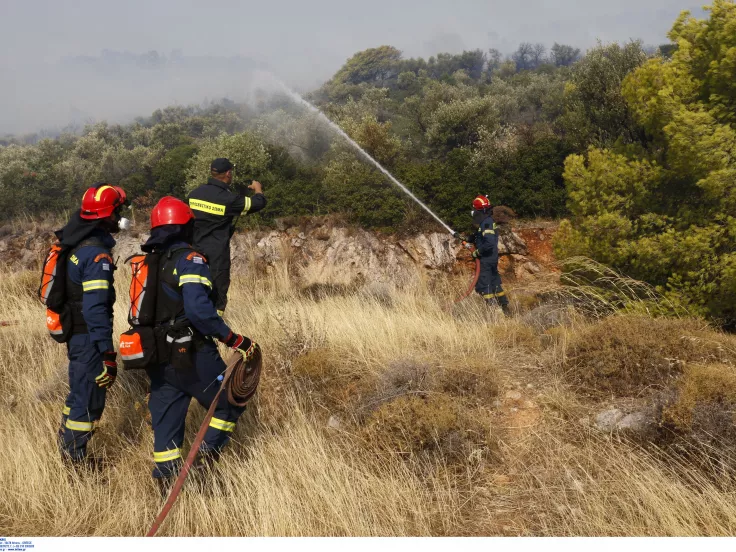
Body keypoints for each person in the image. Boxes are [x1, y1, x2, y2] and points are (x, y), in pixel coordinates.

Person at [140, 196, 257, 491]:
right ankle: (203, 465)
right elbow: (199, 312)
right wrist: (235, 340)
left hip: (155, 353)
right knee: (228, 405)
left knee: (167, 418)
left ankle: (167, 481)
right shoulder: (189, 260)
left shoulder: (150, 261)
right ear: (185, 227)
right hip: (190, 352)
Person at [56, 184, 128, 466]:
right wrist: (107, 354)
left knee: (78, 392)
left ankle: (66, 446)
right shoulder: (97, 256)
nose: (121, 217)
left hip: (77, 335)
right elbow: (95, 309)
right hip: (89, 340)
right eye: (119, 211)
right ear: (109, 215)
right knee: (89, 400)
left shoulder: (75, 242)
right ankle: (74, 464)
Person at [187, 158, 266, 315]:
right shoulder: (228, 199)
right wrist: (258, 190)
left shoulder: (194, 194)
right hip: (217, 252)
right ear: (228, 173)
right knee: (218, 290)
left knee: (195, 286)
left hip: (194, 249)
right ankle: (215, 326)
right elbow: (258, 203)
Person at [455, 195, 510, 315]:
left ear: (478, 211)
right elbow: (478, 236)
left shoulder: (486, 224)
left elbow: (489, 243)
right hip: (491, 258)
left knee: (484, 284)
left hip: (486, 258)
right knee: (495, 283)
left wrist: (477, 252)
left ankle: (494, 311)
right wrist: (465, 239)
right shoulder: (486, 222)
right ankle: (505, 309)